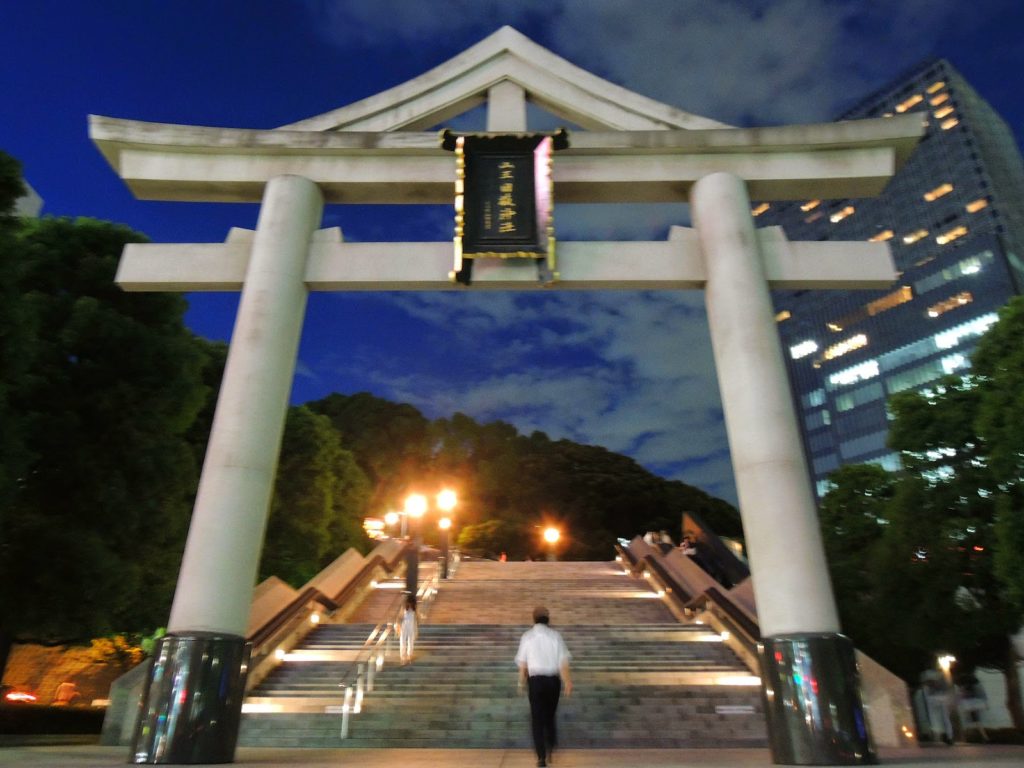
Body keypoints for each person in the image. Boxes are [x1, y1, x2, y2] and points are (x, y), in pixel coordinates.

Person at [515, 605, 572, 768]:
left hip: (536, 681)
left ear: (534, 620)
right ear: (548, 620)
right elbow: (563, 662)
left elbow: (523, 664)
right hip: (553, 681)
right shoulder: (556, 636)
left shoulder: (527, 637)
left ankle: (541, 757)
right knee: (549, 714)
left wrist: (521, 682)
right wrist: (568, 681)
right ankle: (551, 745)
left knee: (537, 718)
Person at [397, 595, 418, 665]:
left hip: (411, 626)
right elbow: (399, 617)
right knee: (402, 641)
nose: (410, 604)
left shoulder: (414, 609)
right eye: (408, 602)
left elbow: (416, 619)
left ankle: (409, 656)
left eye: (411, 603)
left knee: (410, 641)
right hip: (404, 626)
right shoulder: (403, 608)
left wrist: (416, 629)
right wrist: (398, 626)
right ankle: (403, 657)